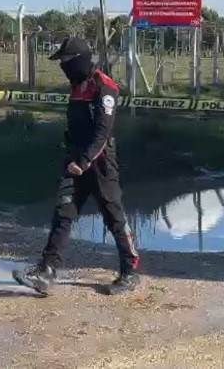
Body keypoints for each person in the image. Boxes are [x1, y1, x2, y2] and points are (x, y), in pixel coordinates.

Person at [12, 37, 141, 296]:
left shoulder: (104, 87)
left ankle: (130, 272)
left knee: (113, 216)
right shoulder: (76, 87)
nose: (63, 67)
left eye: (66, 61)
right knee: (63, 213)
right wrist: (72, 156)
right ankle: (46, 272)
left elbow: (103, 132)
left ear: (80, 59)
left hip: (100, 163)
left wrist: (84, 162)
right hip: (74, 162)